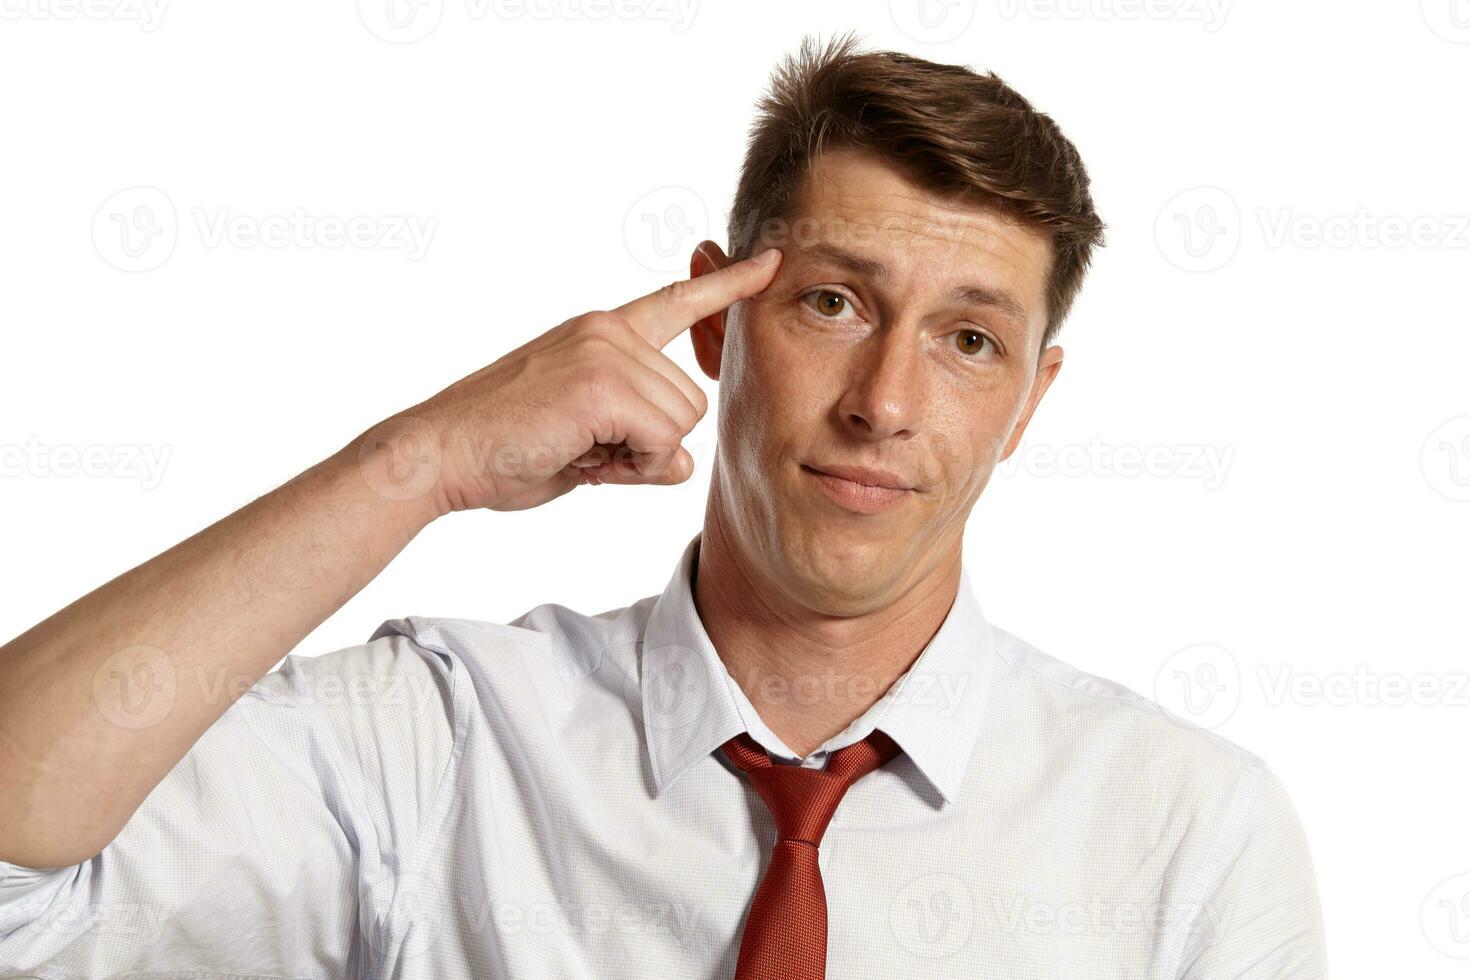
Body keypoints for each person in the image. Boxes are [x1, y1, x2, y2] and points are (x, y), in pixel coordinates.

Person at [0, 33, 1325, 979]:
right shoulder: (442, 742)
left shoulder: (1183, 827)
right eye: (833, 302)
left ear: (1028, 401)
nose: (883, 400)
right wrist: (419, 461)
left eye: (966, 340)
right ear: (715, 314)